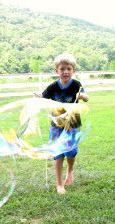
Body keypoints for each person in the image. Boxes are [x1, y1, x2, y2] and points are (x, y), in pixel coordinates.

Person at [42, 53, 89, 194]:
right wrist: (38, 98)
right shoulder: (52, 87)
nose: (65, 71)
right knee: (58, 153)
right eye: (62, 69)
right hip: (56, 126)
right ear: (57, 71)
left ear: (73, 71)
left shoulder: (76, 85)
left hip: (73, 125)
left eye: (68, 68)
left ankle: (70, 171)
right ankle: (59, 184)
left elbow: (86, 97)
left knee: (71, 153)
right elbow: (43, 98)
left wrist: (82, 95)